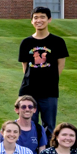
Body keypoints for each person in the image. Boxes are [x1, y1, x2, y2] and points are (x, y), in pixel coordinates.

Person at [18, 7, 69, 137]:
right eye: (35, 17)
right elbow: (25, 68)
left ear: (49, 19)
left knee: (49, 127)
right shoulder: (26, 42)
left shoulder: (58, 42)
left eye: (42, 17)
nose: (39, 20)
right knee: (28, 125)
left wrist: (50, 80)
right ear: (31, 21)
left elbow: (61, 65)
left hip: (49, 91)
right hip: (28, 91)